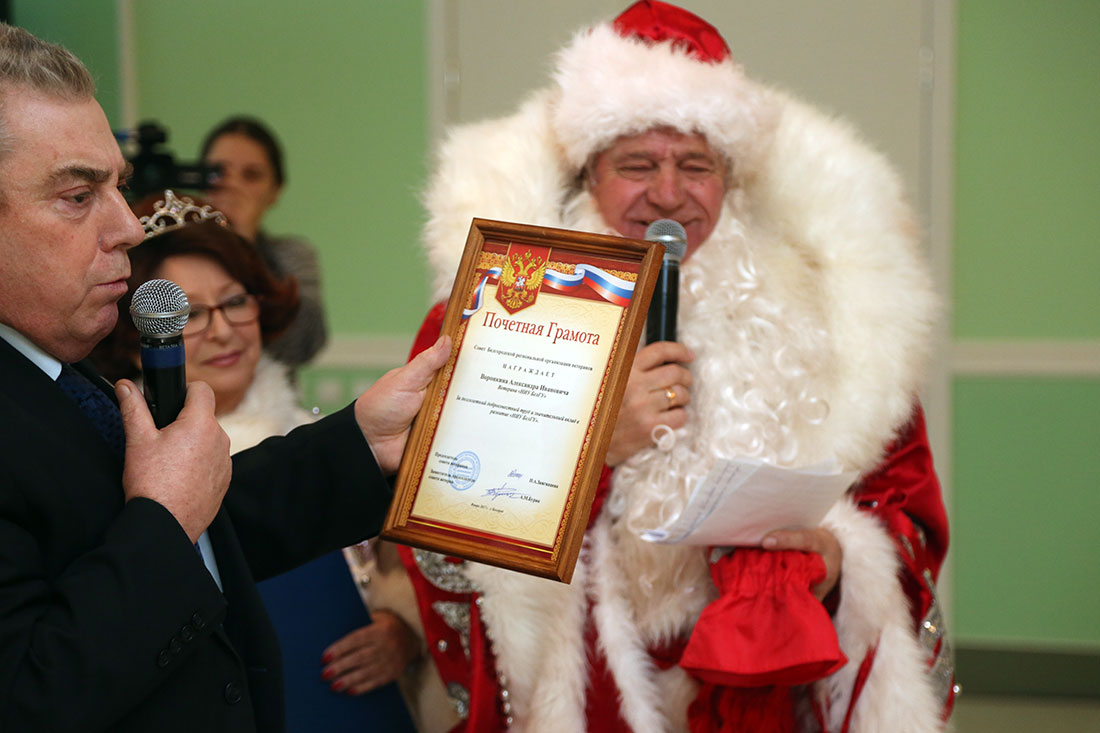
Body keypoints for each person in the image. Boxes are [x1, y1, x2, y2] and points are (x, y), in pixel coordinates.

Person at [400, 2, 953, 731]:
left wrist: (837, 559)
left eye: (696, 167)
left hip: (768, 690)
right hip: (588, 687)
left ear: (731, 176)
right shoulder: (502, 306)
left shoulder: (829, 312)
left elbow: (905, 507)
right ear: (588, 173)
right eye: (637, 166)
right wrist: (594, 443)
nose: (668, 195)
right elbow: (446, 531)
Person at [0, 24, 448, 733]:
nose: (127, 227)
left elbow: (210, 525)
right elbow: (29, 698)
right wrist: (164, 520)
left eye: (118, 186)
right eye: (78, 196)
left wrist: (363, 442)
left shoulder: (56, 366)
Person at [91, 192, 418, 731]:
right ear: (138, 338)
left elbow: (402, 576)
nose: (223, 330)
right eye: (191, 313)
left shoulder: (322, 443)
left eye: (235, 301)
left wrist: (401, 629)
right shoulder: (129, 471)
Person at [200, 115, 327, 368]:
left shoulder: (292, 255)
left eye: (251, 175)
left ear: (275, 191)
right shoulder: (175, 257)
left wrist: (243, 243)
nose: (232, 185)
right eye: (218, 172)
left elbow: (302, 343)